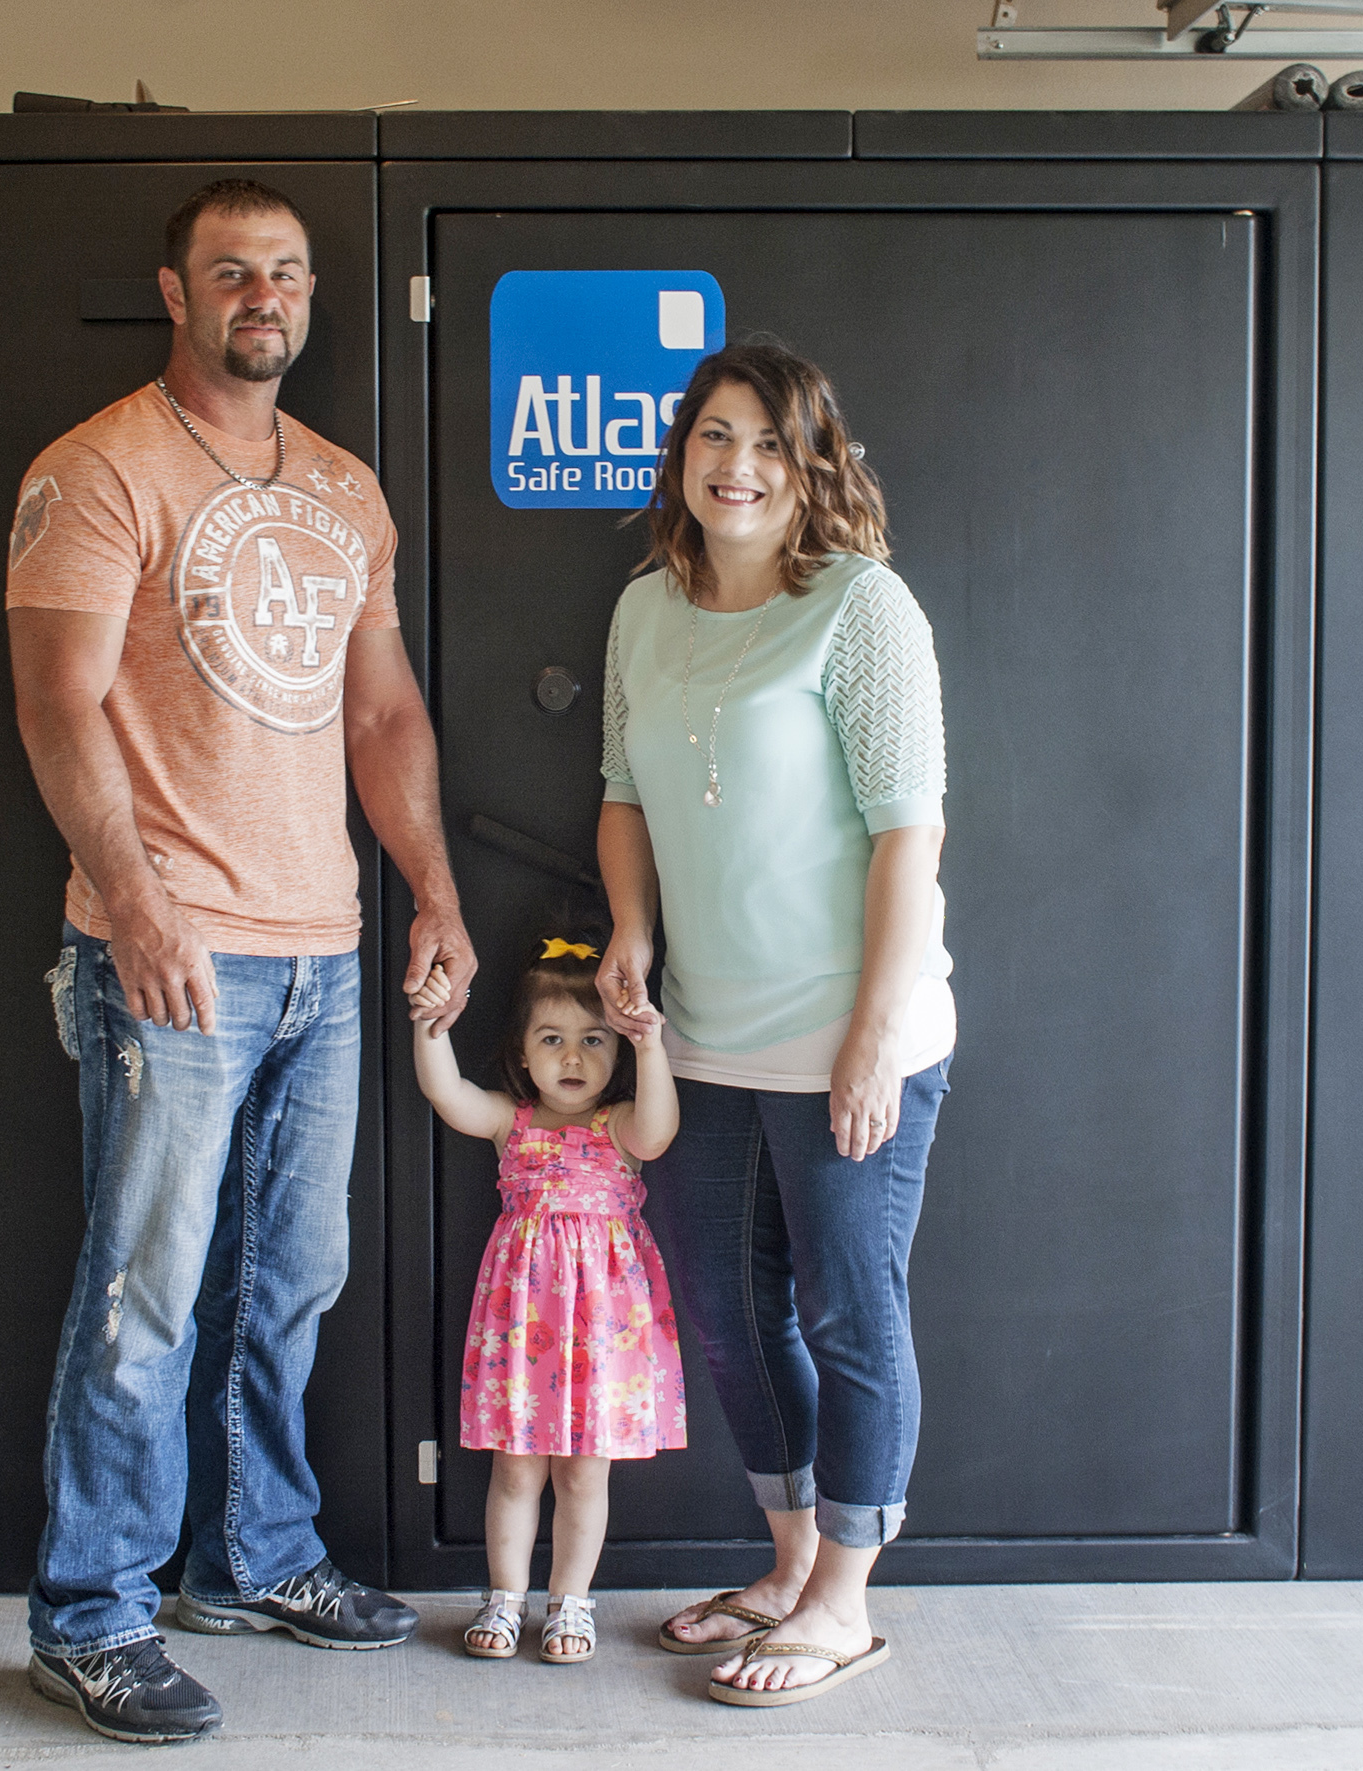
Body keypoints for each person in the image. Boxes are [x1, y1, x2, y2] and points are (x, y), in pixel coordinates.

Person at [6, 178, 474, 1745]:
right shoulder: (95, 470)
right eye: (229, 271)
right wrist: (134, 907)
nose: (259, 294)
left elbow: (385, 712)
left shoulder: (344, 490)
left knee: (290, 1279)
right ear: (176, 290)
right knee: (144, 1292)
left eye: (282, 272)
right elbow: (58, 706)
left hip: (324, 952)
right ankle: (92, 1611)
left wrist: (433, 892)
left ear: (309, 293)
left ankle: (251, 1556)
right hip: (171, 951)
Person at [592, 343, 952, 1706]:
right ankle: (792, 1560)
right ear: (682, 455)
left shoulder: (862, 608)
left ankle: (847, 1601)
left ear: (812, 466)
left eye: (766, 442)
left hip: (849, 1031)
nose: (735, 465)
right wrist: (630, 928)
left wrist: (872, 1033)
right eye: (712, 437)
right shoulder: (644, 610)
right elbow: (623, 790)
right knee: (731, 1320)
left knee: (852, 1313)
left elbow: (909, 832)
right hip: (704, 1032)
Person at [409, 935, 686, 1665]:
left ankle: (570, 1599)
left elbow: (659, 1133)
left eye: (593, 1040)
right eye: (552, 1039)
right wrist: (430, 1024)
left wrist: (650, 1044)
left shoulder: (619, 1127)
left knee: (583, 1471)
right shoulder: (513, 1122)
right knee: (515, 1467)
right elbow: (445, 1093)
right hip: (523, 1328)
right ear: (523, 1052)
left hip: (600, 1334)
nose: (572, 1058)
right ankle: (504, 1595)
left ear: (616, 1049)